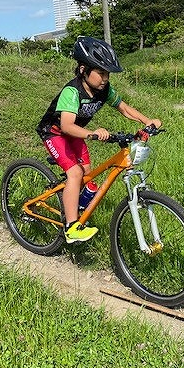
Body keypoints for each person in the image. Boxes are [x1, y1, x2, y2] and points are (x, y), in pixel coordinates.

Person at [37, 36, 162, 244]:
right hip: (55, 132)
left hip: (75, 133)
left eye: (107, 74)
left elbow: (124, 108)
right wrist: (93, 133)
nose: (105, 78)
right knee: (75, 173)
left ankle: (71, 203)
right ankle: (71, 227)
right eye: (101, 73)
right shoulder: (72, 91)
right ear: (83, 70)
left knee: (86, 172)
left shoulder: (104, 91)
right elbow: (66, 126)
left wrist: (146, 120)